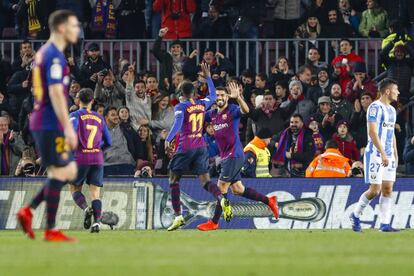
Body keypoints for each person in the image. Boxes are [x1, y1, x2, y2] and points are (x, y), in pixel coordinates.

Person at [17, 10, 80, 242]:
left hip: (43, 119)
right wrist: (68, 126)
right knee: (64, 171)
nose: (77, 30)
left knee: (66, 171)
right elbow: (55, 92)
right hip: (49, 121)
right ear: (62, 28)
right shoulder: (54, 55)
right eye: (73, 26)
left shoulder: (44, 53)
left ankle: (31, 213)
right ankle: (47, 226)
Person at [197, 82, 278, 231]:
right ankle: (269, 201)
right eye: (218, 95)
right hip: (226, 157)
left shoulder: (232, 110)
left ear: (227, 97)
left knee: (221, 187)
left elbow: (246, 110)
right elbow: (198, 115)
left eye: (223, 95)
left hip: (234, 155)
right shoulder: (213, 114)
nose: (220, 97)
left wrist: (239, 97)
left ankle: (214, 222)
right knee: (238, 189)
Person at [165, 63, 228, 231]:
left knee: (173, 180)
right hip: (201, 146)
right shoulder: (202, 104)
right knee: (206, 181)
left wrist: (168, 139)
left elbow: (178, 124)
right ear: (194, 93)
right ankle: (221, 198)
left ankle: (178, 216)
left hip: (185, 147)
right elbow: (213, 96)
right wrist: (208, 77)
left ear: (181, 94)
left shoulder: (181, 106)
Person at [350, 78, 400, 232]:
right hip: (375, 154)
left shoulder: (392, 110)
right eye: (395, 89)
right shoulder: (375, 108)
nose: (398, 92)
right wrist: (383, 153)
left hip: (388, 155)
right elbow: (372, 132)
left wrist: (395, 155)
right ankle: (355, 215)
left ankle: (384, 224)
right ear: (387, 91)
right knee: (375, 190)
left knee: (387, 189)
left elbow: (391, 134)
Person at [69, 88, 112, 234]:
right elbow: (109, 141)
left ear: (77, 100)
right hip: (97, 157)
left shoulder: (74, 116)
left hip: (80, 157)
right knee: (95, 193)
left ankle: (86, 208)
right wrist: (96, 148)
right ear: (92, 101)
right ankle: (97, 223)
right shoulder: (100, 117)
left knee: (74, 188)